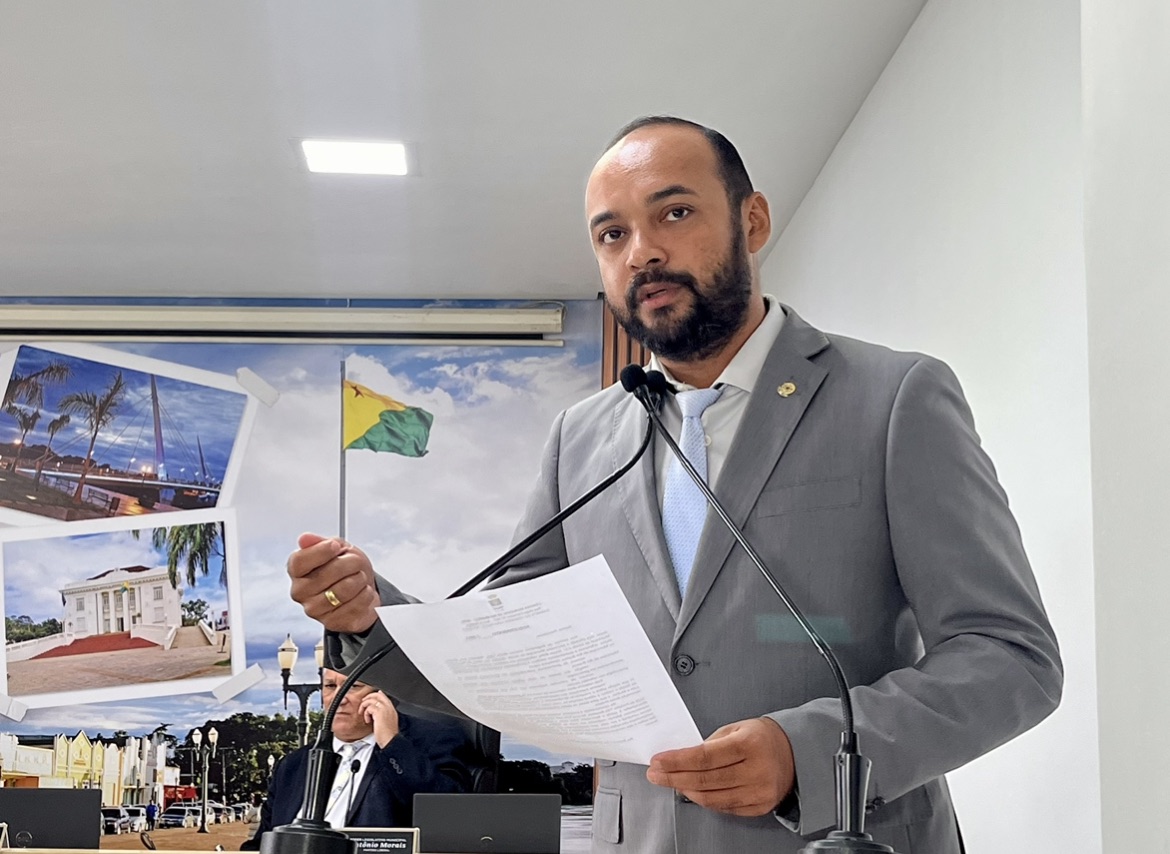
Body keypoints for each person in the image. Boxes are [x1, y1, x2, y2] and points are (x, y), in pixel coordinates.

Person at [286, 116, 1063, 853]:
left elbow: (1009, 654)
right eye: (612, 234)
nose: (642, 253)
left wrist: (809, 750)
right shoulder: (580, 437)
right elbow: (505, 658)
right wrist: (371, 616)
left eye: (675, 213)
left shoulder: (893, 398)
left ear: (752, 221)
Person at [240, 668, 473, 851]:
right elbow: (261, 845)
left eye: (353, 686)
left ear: (383, 694)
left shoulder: (431, 741)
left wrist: (391, 743)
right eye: (330, 686)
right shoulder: (292, 766)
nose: (338, 698)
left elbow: (449, 819)